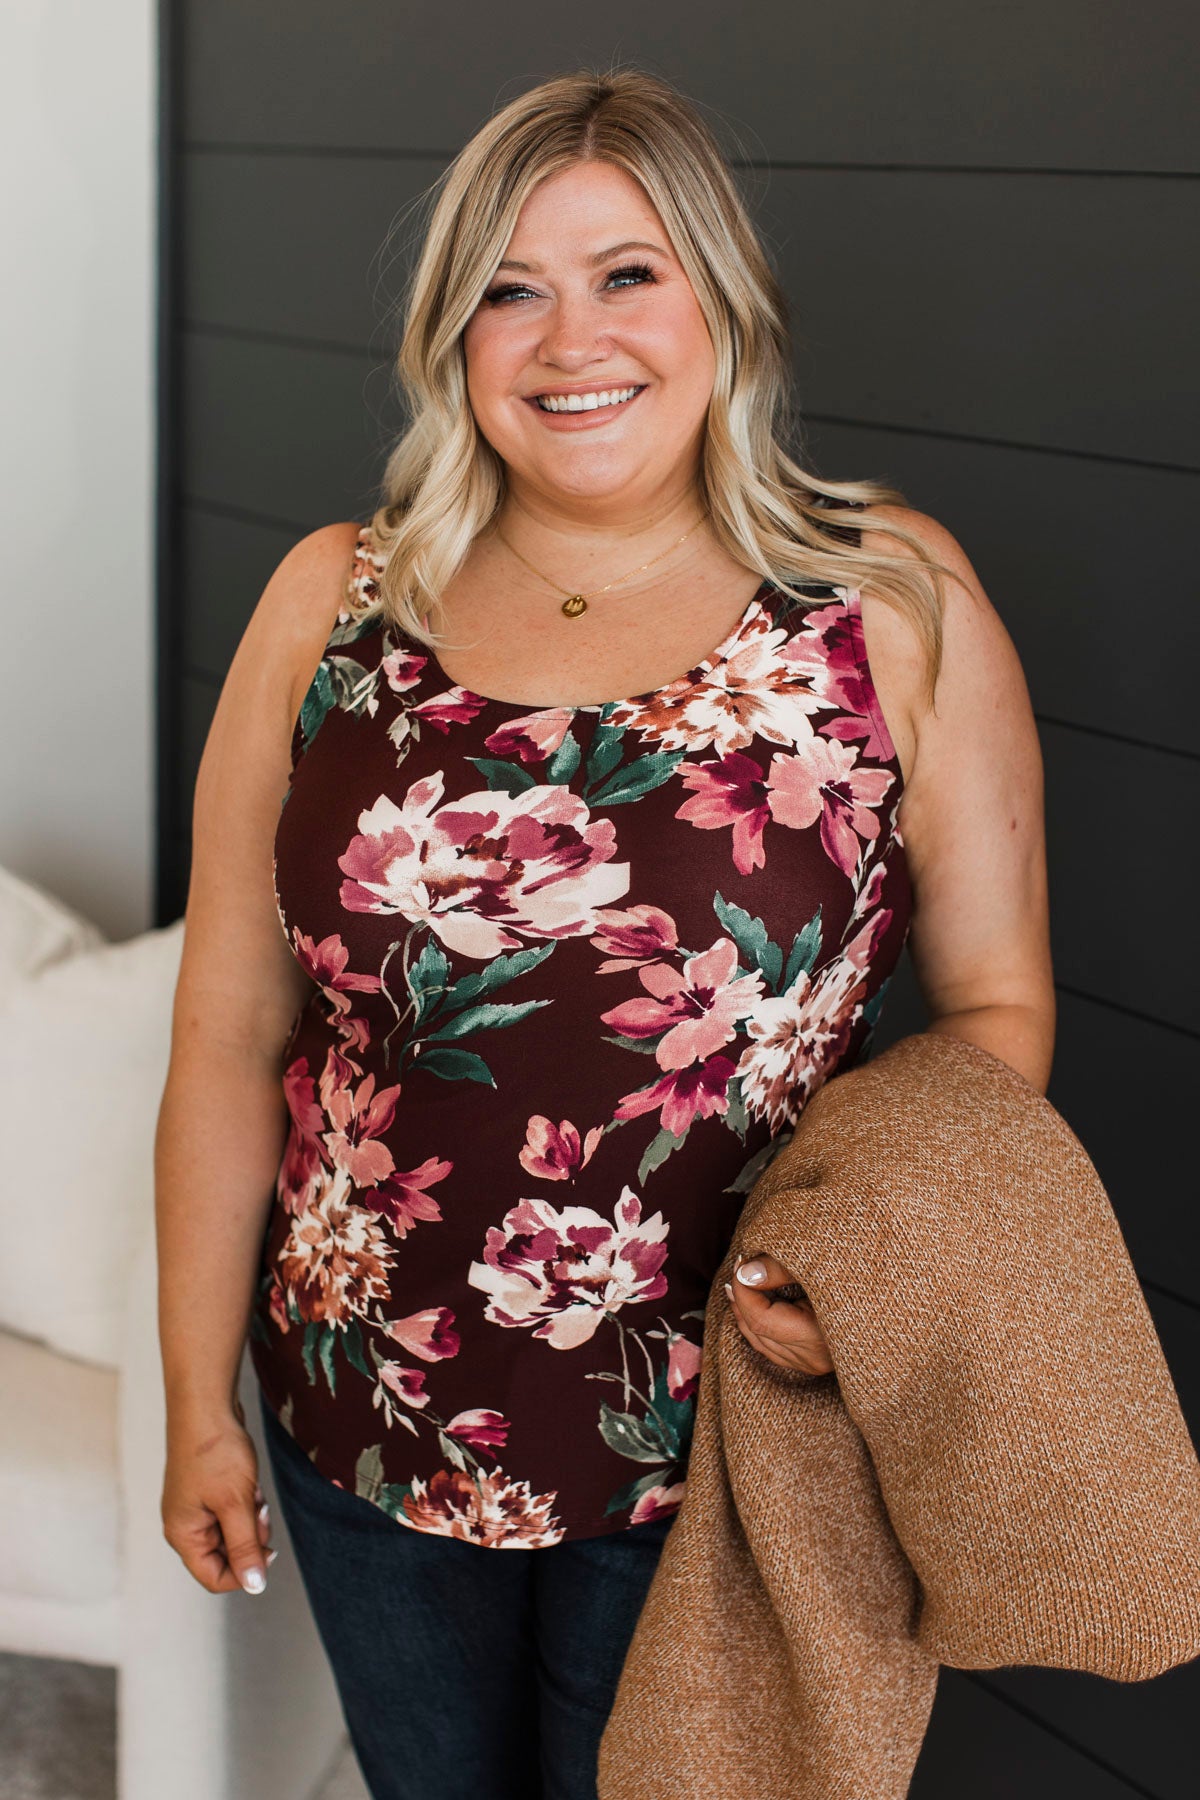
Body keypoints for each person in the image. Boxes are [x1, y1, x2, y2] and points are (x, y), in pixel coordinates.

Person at [155, 64, 1054, 1800]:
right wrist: (199, 1397)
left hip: (732, 1436)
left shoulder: (885, 604)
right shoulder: (333, 601)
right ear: (453, 338)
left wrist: (857, 1267)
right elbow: (224, 1030)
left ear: (723, 298)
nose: (572, 337)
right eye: (511, 285)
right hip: (366, 1416)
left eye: (628, 271)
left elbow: (1000, 1005)